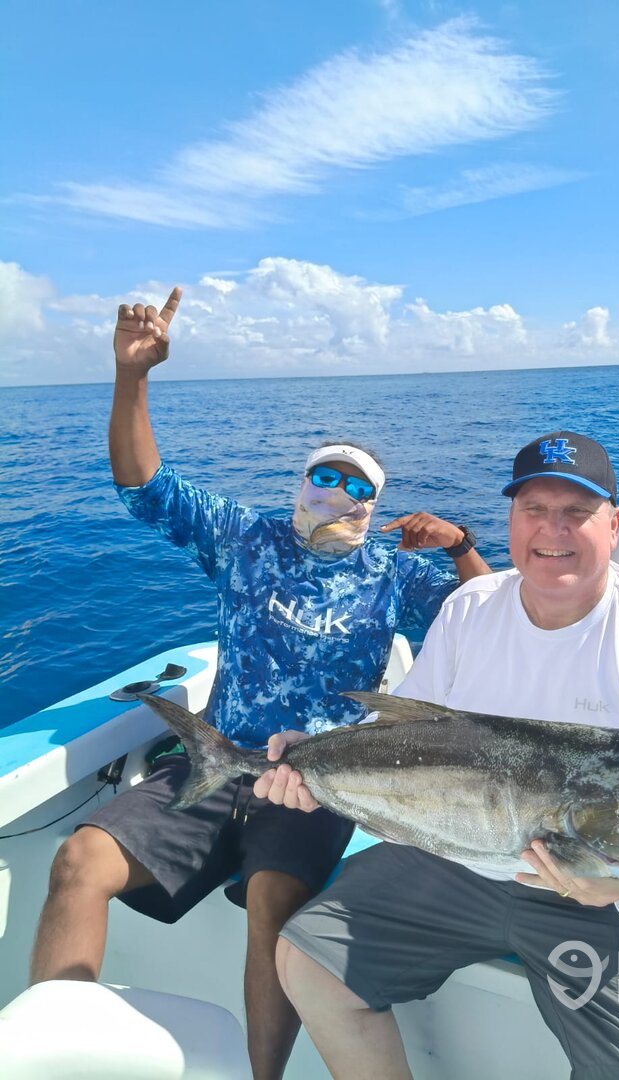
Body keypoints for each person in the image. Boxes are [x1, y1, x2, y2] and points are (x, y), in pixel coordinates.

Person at [29, 287, 491, 1080]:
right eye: (327, 476)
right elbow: (144, 486)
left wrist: (461, 547)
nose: (340, 494)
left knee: (274, 905)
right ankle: (55, 1059)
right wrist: (131, 375)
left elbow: (490, 619)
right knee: (79, 862)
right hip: (215, 759)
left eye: (359, 488)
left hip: (318, 778)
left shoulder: (392, 572)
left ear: (376, 506)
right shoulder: (247, 538)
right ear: (300, 481)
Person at [258, 430, 619, 1080]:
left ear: (614, 524)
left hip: (611, 896)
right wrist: (314, 757)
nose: (553, 530)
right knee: (307, 963)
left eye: (577, 512)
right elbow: (404, 730)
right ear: (512, 520)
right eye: (534, 509)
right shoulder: (471, 607)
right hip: (461, 860)